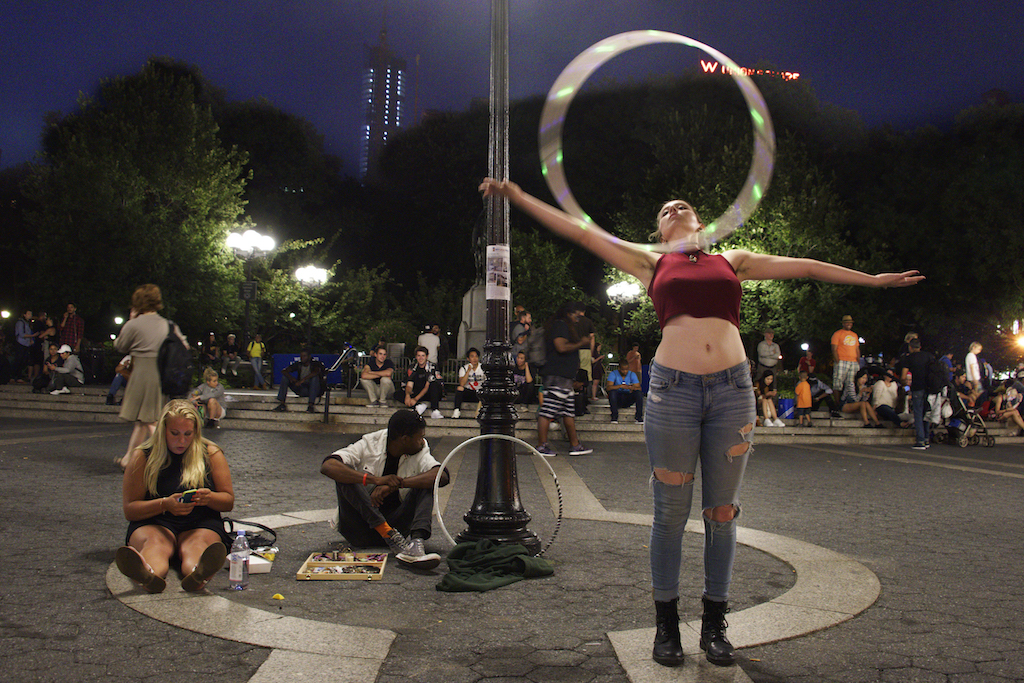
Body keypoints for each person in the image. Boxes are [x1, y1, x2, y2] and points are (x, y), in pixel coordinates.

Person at [479, 177, 921, 668]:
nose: (673, 208)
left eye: (681, 205)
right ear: (659, 230)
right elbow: (581, 231)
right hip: (673, 393)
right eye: (665, 209)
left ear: (700, 223)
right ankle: (666, 625)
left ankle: (715, 624)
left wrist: (874, 281)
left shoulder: (732, 260)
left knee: (722, 512)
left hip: (733, 393)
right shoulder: (650, 262)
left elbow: (809, 269)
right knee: (669, 514)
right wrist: (519, 198)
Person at [115, 399, 233, 593]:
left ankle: (197, 573)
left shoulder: (211, 453)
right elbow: (130, 510)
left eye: (188, 434)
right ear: (163, 431)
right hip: (154, 521)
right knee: (155, 544)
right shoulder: (143, 456)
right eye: (174, 434)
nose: (182, 441)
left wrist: (209, 497)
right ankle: (148, 573)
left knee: (196, 545)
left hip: (199, 522)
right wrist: (164, 504)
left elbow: (228, 501)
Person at [319, 409, 448, 569]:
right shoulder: (370, 444)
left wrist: (398, 484)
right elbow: (328, 466)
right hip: (358, 527)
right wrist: (375, 480)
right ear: (405, 439)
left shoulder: (420, 450)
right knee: (345, 475)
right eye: (420, 437)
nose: (422, 441)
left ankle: (416, 543)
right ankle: (386, 532)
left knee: (426, 481)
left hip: (397, 528)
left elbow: (441, 476)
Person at [114, 285, 189, 471]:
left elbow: (120, 346)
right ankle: (128, 459)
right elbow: (184, 346)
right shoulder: (168, 324)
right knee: (143, 420)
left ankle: (172, 458)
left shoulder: (134, 324)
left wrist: (131, 321)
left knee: (150, 421)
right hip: (161, 374)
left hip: (141, 374)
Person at [534, 302, 594, 457]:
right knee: (548, 411)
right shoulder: (560, 325)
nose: (578, 319)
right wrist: (581, 343)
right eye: (577, 315)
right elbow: (561, 347)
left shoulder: (560, 325)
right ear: (568, 313)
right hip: (558, 375)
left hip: (563, 376)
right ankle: (541, 446)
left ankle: (575, 445)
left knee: (568, 412)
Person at [897, 338, 936, 449]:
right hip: (929, 388)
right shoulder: (928, 356)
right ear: (920, 347)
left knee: (918, 413)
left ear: (910, 347)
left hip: (917, 387)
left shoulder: (909, 358)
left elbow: (904, 377)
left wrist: (904, 385)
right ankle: (927, 438)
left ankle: (920, 440)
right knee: (926, 413)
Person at [273, 349, 324, 413]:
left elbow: (316, 372)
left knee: (314, 378)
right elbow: (284, 371)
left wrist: (303, 379)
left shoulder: (315, 364)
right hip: (302, 389)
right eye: (301, 356)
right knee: (285, 378)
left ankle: (311, 405)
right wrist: (292, 378)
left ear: (309, 356)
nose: (302, 358)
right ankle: (282, 404)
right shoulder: (298, 364)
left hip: (313, 389)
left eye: (304, 356)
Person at [401, 346, 444, 419]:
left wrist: (415, 399)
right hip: (417, 391)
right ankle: (418, 406)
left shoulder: (432, 367)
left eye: (423, 356)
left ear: (427, 357)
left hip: (430, 392)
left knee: (434, 385)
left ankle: (435, 410)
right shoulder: (412, 367)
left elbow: (427, 386)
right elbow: (409, 384)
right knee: (398, 393)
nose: (421, 358)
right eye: (419, 355)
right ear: (416, 357)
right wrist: (407, 395)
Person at [831, 315, 860, 398]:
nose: (849, 324)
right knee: (838, 383)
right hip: (842, 360)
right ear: (843, 323)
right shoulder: (837, 334)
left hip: (853, 362)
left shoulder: (854, 335)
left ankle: (847, 402)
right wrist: (837, 361)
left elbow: (857, 349)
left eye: (850, 322)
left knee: (851, 384)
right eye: (847, 322)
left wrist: (857, 360)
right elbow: (834, 349)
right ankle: (837, 404)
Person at [607, 359, 643, 424]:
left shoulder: (632, 374)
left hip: (628, 397)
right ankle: (614, 417)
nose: (625, 371)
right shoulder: (613, 374)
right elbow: (608, 387)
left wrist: (632, 388)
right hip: (617, 398)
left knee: (639, 393)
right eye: (623, 369)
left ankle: (639, 417)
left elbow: (639, 388)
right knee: (612, 392)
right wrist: (620, 386)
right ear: (619, 368)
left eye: (626, 369)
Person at [452, 348, 484, 418]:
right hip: (469, 392)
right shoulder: (464, 368)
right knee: (460, 388)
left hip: (480, 392)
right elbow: (462, 384)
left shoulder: (483, 368)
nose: (474, 359)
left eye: (476, 356)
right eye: (472, 356)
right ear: (468, 359)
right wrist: (468, 371)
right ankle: (457, 410)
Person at [12, 309, 35, 383]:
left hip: (26, 344)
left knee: (23, 360)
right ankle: (13, 376)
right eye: (28, 314)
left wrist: (31, 339)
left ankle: (18, 376)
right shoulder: (20, 322)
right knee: (18, 360)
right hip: (20, 343)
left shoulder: (28, 323)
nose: (30, 315)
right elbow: (21, 334)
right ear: (24, 314)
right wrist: (32, 336)